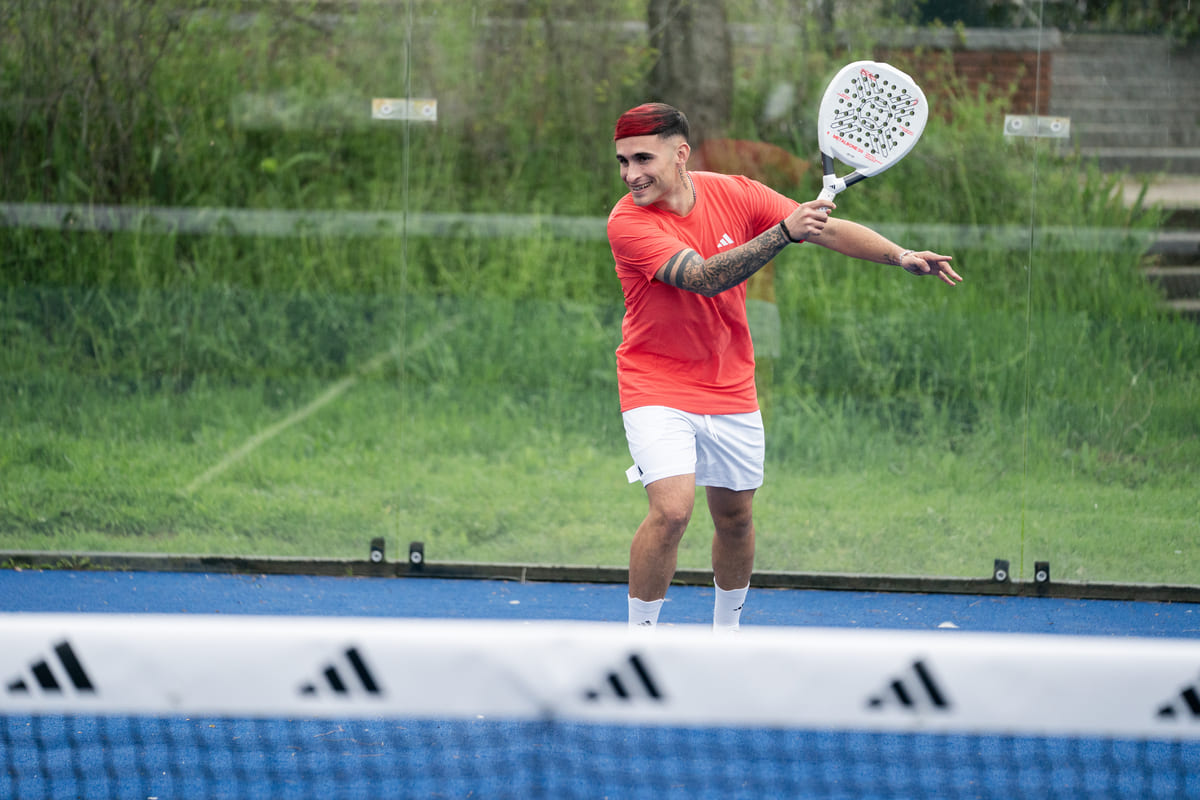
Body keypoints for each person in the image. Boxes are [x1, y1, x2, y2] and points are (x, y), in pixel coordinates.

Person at [607, 102, 960, 632]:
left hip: (730, 383)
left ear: (680, 154)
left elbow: (824, 230)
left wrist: (899, 254)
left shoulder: (734, 192)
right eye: (622, 161)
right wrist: (783, 233)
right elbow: (703, 277)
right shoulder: (627, 222)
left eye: (642, 159)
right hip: (654, 382)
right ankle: (638, 642)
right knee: (672, 511)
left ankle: (726, 637)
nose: (631, 174)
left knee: (736, 518)